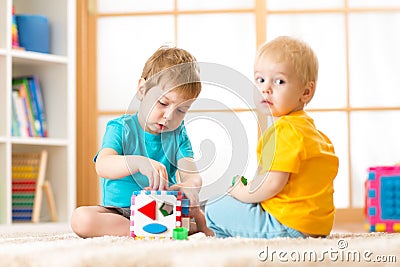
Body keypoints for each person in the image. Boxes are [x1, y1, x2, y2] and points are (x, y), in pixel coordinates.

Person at [71, 45, 212, 238]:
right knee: (82, 219)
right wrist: (137, 162)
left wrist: (189, 186)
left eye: (181, 110)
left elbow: (192, 175)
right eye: (163, 103)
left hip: (163, 208)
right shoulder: (121, 128)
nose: (169, 116)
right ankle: (164, 230)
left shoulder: (178, 134)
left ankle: (163, 228)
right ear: (142, 89)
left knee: (211, 210)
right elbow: (103, 165)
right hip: (122, 213)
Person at [205, 36, 339, 238]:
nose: (266, 88)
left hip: (287, 224)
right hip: (315, 226)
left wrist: (240, 191)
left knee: (214, 206)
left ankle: (234, 241)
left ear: (306, 91)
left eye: (279, 81)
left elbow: (272, 184)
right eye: (260, 79)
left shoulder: (284, 131)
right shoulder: (313, 133)